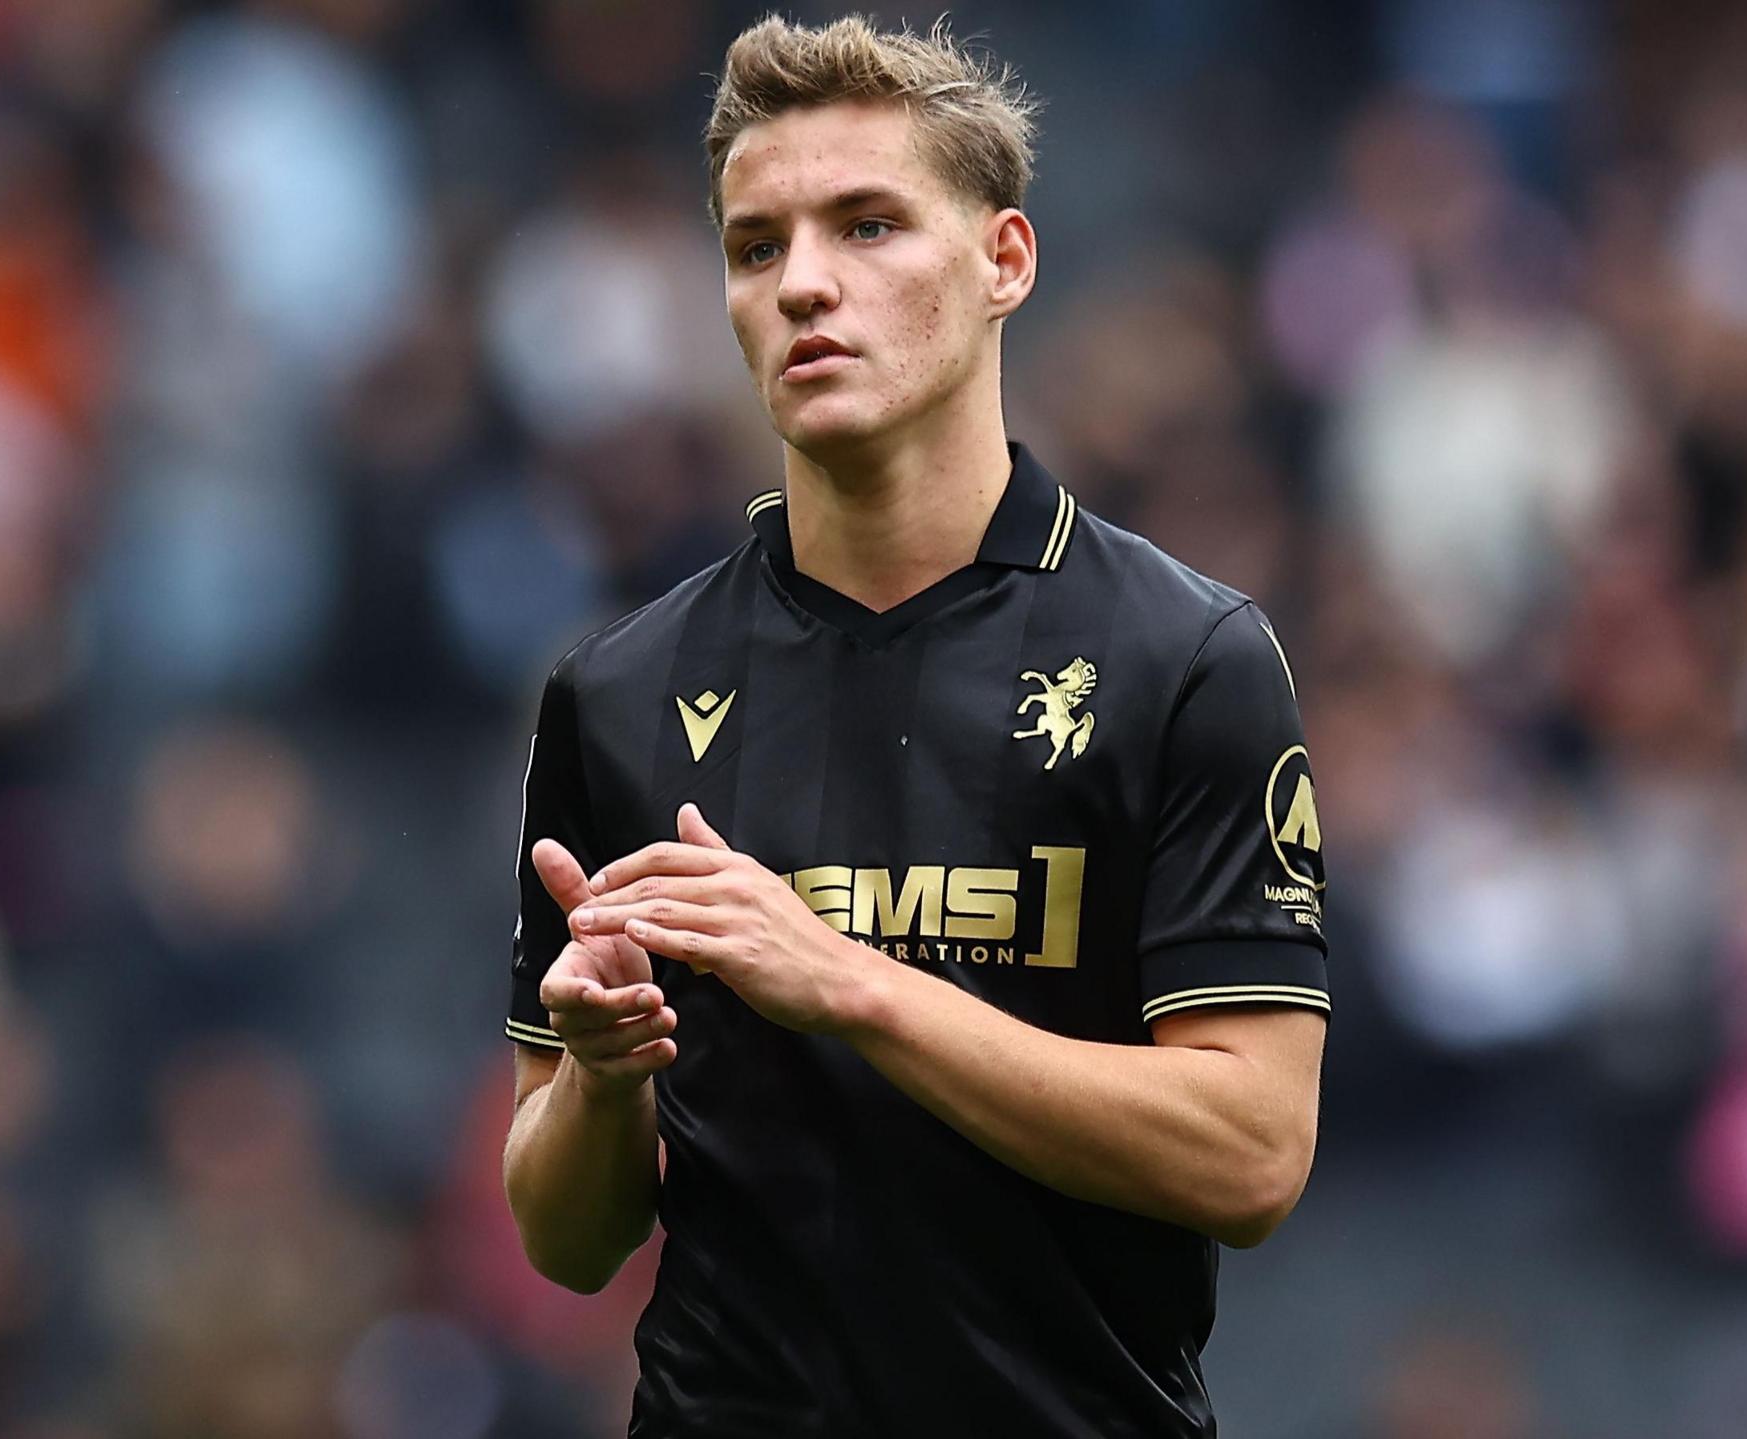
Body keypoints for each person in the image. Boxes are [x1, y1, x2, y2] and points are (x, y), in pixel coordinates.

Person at [499, 16, 1328, 1437]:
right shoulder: (620, 690)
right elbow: (569, 1244)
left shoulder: (1184, 657)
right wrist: (599, 1072)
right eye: (757, 249)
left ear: (1005, 261)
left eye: (868, 225)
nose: (806, 283)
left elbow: (1249, 1154)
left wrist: (852, 985)